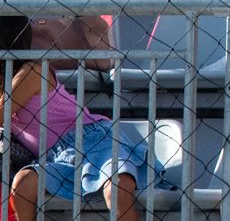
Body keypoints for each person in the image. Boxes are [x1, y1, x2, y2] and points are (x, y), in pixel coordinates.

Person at [3, 14, 147, 221]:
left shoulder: (33, 71)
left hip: (90, 140)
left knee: (116, 189)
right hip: (56, 156)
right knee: (23, 184)